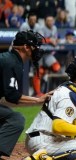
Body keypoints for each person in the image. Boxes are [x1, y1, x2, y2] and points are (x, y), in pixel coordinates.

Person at [0, 30, 52, 159]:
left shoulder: (11, 59)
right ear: (25, 47)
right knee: (16, 119)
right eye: (35, 46)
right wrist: (37, 100)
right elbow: (11, 96)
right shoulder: (11, 62)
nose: (37, 50)